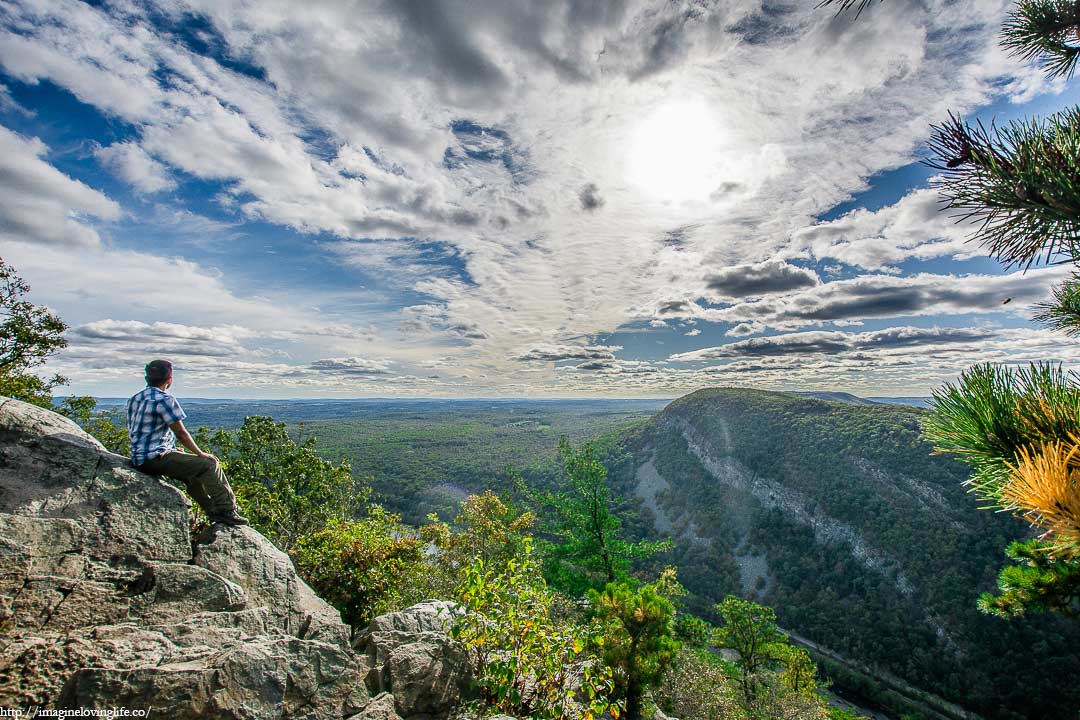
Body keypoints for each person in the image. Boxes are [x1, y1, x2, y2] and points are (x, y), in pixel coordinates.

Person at [127, 359, 249, 526]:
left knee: (192, 472)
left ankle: (212, 510)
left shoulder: (136, 398)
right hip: (154, 458)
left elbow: (144, 432)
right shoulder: (164, 399)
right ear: (169, 379)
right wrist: (200, 453)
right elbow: (181, 433)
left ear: (147, 378)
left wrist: (174, 451)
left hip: (139, 458)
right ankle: (226, 510)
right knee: (208, 465)